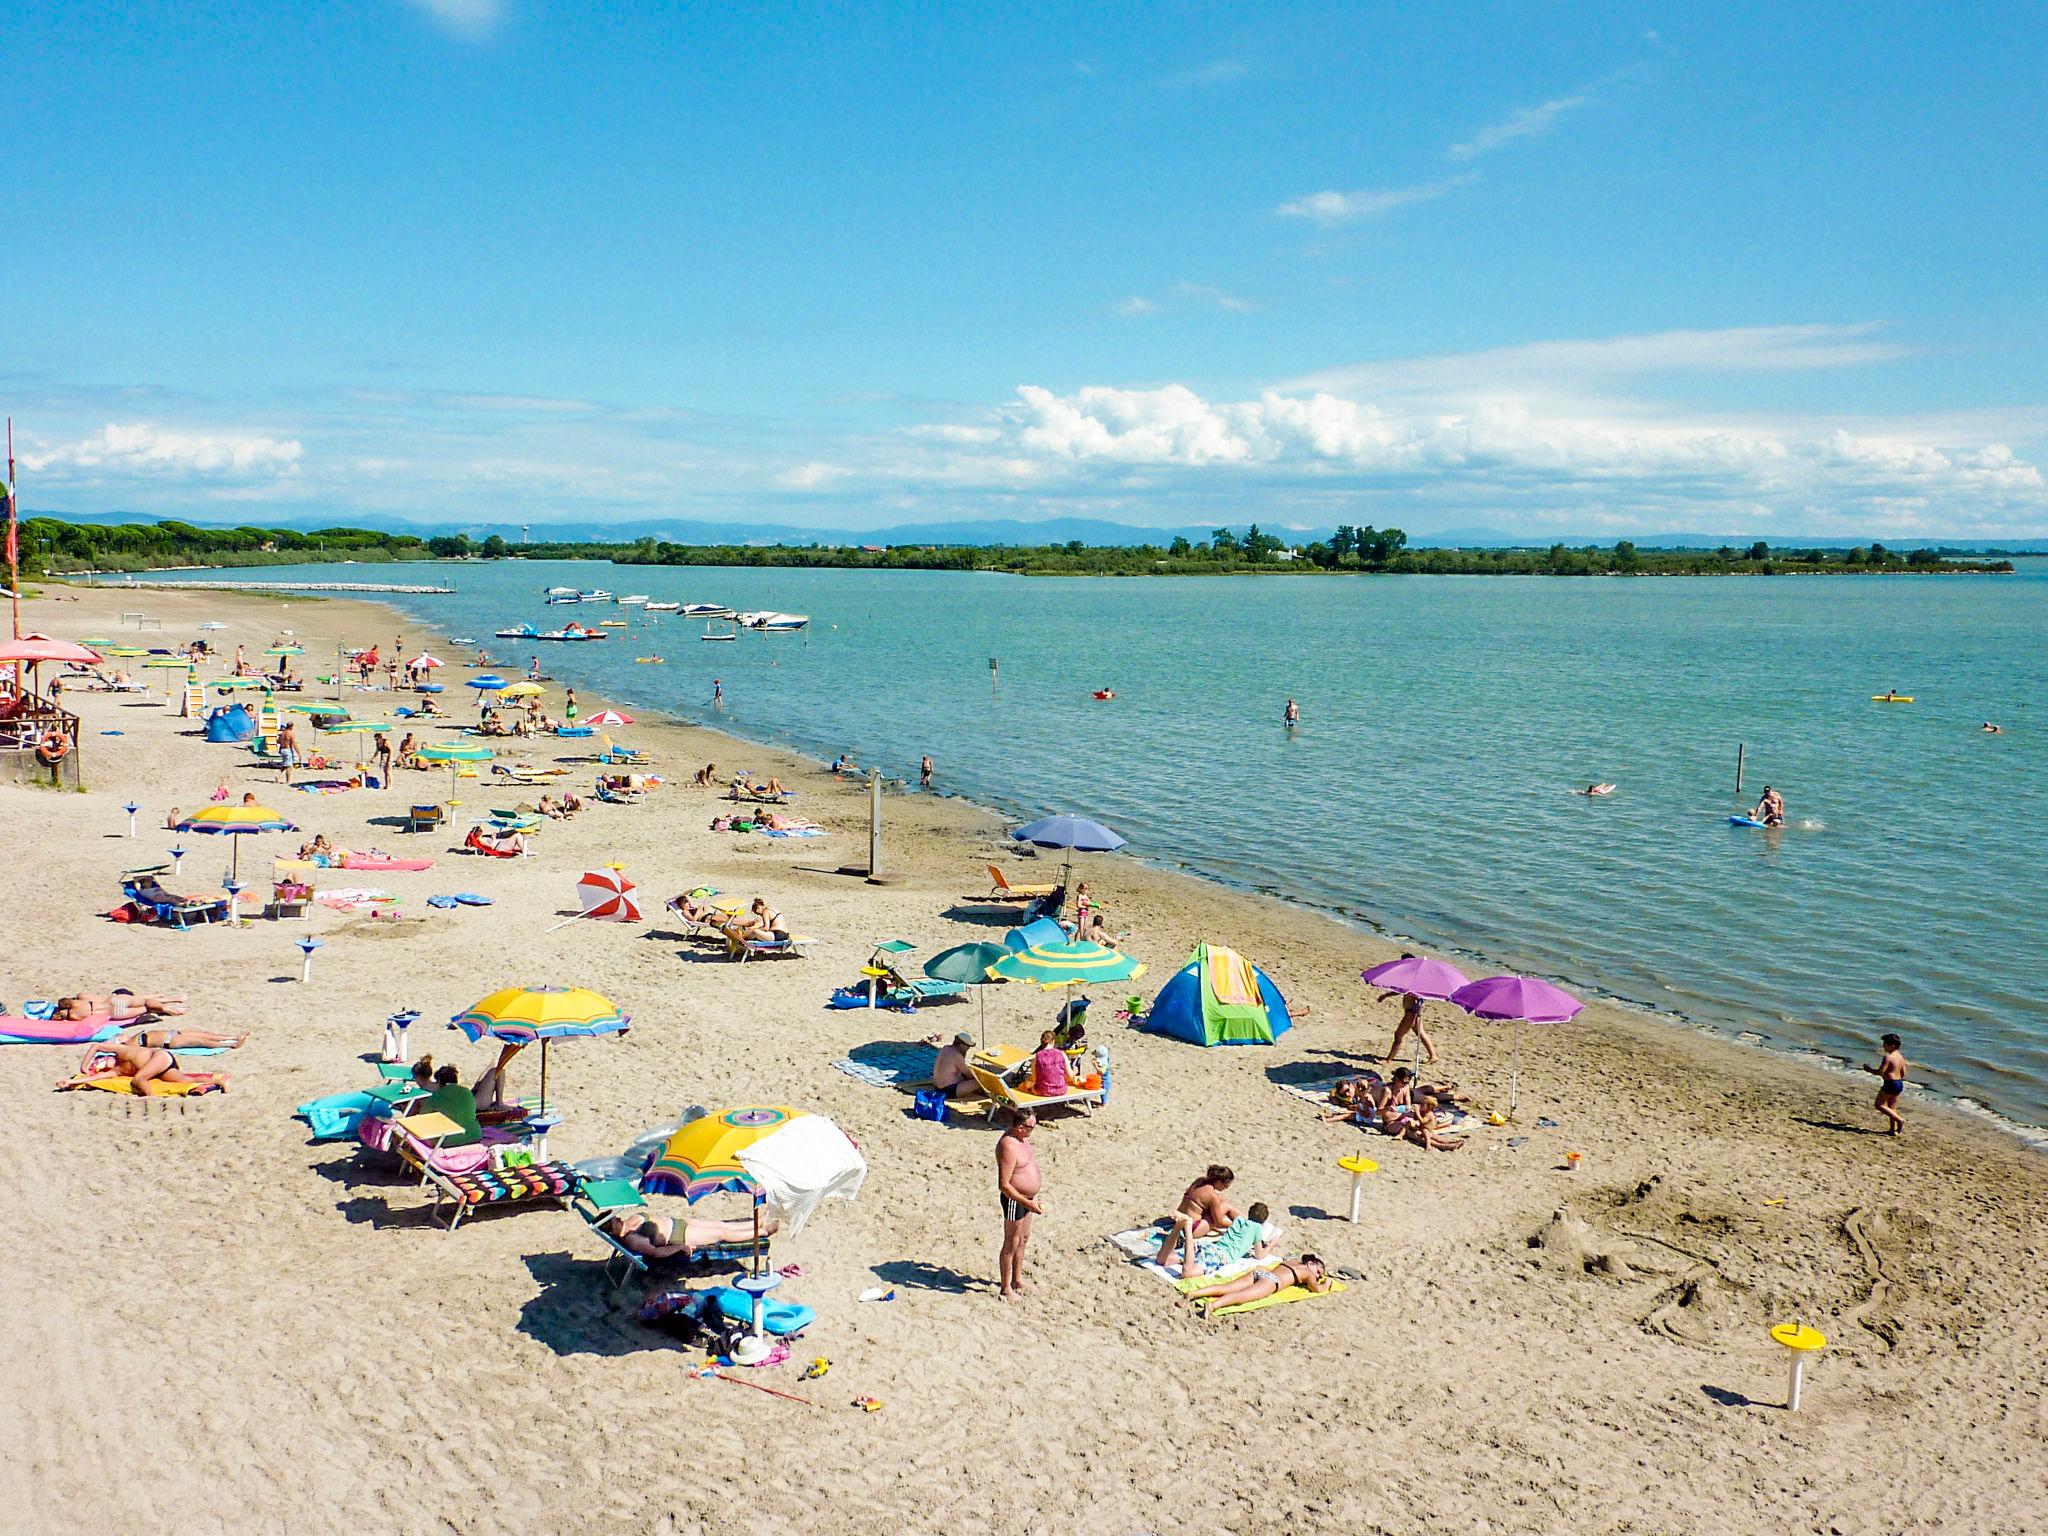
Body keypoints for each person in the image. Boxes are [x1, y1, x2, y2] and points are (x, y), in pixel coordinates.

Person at [605, 1209, 780, 1261]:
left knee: (719, 1224)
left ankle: (755, 1222)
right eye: (614, 1221)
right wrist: (680, 1247)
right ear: (612, 1230)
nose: (618, 1218)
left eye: (615, 1216)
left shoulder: (628, 1222)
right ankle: (763, 1232)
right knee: (721, 1233)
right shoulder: (632, 1239)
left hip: (680, 1222)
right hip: (680, 1236)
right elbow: (656, 1253)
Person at [1163, 1201, 1277, 1278]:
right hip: (1219, 1255)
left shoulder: (1238, 1220)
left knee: (1166, 1260)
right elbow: (1259, 1255)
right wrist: (1272, 1244)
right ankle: (1187, 1227)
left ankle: (1180, 1227)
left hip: (1210, 1246)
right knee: (1188, 1273)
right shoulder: (1257, 1228)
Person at [996, 1108, 1042, 1299]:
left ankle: (1017, 1279)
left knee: (1023, 1239)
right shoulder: (1008, 1145)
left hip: (1027, 1199)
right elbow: (1004, 1185)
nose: (1033, 1130)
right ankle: (1006, 1287)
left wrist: (1032, 1199)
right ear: (1020, 1127)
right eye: (1031, 1127)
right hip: (1015, 1199)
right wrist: (1026, 1202)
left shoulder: (1024, 1139)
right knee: (1011, 1243)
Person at [1183, 1253, 1329, 1312]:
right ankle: (1213, 1306)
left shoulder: (1292, 1262)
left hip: (1261, 1272)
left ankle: (1193, 1293)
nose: (1317, 1276)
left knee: (1227, 1287)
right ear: (1311, 1263)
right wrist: (1326, 1283)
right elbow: (1316, 1289)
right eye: (1318, 1271)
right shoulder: (1308, 1273)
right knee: (1241, 1296)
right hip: (1272, 1281)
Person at [81, 1038, 201, 1096]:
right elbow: (94, 1078)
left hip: (159, 1056)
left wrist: (84, 1067)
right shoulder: (117, 1071)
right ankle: (217, 1080)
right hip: (158, 1069)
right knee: (185, 1081)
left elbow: (96, 1046)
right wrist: (71, 1081)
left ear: (109, 1056)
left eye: (103, 1061)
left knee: (139, 1079)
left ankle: (151, 1098)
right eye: (102, 1066)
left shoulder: (122, 1051)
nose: (105, 1065)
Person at [421, 1063, 483, 1147]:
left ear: (439, 1081)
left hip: (450, 1141)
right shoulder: (467, 1092)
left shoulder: (436, 1097)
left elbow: (422, 1119)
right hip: (475, 1136)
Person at [1171, 1166, 1239, 1241]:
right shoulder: (1212, 1196)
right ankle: (1245, 1225)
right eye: (1225, 1186)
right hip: (1193, 1228)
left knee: (1221, 1199)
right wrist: (1235, 1226)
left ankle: (1247, 1223)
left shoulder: (1199, 1182)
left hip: (1178, 1222)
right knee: (1226, 1205)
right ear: (1219, 1182)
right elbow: (1219, 1223)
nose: (1226, 1188)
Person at [1861, 1033, 1908, 1136]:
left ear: (1892, 1046)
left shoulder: (1888, 1057)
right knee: (1892, 1107)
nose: (1883, 1046)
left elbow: (1880, 1072)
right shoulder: (1901, 1057)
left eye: (1885, 1044)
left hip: (1890, 1083)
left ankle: (1899, 1120)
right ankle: (1893, 1129)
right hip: (1899, 1083)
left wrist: (1868, 1069)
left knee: (1879, 1104)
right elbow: (1903, 1072)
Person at [54, 990, 187, 1023]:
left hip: (115, 1014)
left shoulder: (74, 1017)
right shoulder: (80, 998)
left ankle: (167, 1010)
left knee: (146, 1008)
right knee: (144, 1000)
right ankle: (174, 999)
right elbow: (101, 999)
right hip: (113, 1002)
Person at [925, 1031, 983, 1100]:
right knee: (979, 1081)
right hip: (948, 1090)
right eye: (968, 1046)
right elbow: (969, 1074)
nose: (968, 1049)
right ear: (962, 1045)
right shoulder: (957, 1056)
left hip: (936, 1087)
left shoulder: (945, 1048)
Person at [119, 1023, 244, 1052]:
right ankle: (231, 1044)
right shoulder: (130, 1047)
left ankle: (234, 1037)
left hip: (172, 1033)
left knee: (206, 1034)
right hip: (169, 1041)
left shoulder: (128, 1039)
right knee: (203, 1041)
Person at [1386, 992, 1436, 1065]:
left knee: (1399, 1035)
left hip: (1411, 1013)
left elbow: (1416, 1001)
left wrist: (1385, 995)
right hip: (1413, 1012)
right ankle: (1433, 1055)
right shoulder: (1414, 986)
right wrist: (1385, 995)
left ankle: (1388, 1059)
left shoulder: (1415, 988)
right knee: (1420, 1033)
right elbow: (1400, 990)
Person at [1028, 1029, 1068, 1096]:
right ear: (1053, 1041)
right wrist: (1075, 1071)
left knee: (1027, 1084)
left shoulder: (1037, 1056)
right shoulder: (1061, 1054)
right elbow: (1070, 1075)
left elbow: (1034, 1079)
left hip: (1042, 1091)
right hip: (1061, 1090)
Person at [275, 721, 300, 785]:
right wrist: (299, 753)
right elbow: (294, 744)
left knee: (284, 765)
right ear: (291, 727)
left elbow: (278, 741)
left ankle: (277, 775)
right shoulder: (291, 734)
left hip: (282, 750)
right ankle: (288, 781)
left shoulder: (282, 733)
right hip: (288, 750)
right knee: (289, 767)